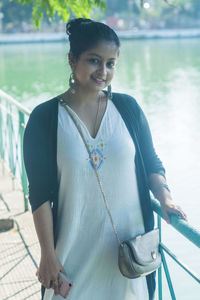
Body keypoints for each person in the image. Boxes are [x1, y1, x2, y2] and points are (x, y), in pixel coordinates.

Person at [23, 18, 187, 300]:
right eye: (94, 61)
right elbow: (38, 196)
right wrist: (47, 254)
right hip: (72, 260)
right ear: (72, 59)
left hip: (128, 259)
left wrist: (165, 197)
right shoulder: (45, 118)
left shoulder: (128, 109)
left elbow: (151, 163)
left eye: (111, 63)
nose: (103, 71)